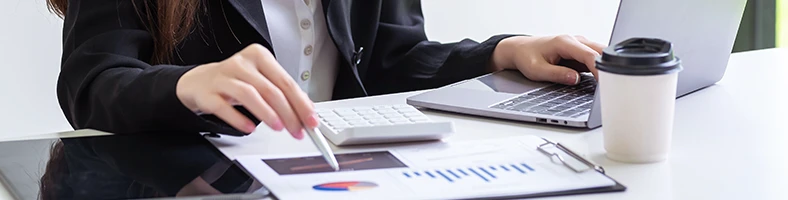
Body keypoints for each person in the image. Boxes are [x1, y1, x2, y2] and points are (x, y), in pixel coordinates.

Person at [45, 0, 606, 197]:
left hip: (342, 179)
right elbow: (92, 82)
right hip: (198, 183)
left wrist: (502, 52)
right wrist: (185, 85)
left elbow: (392, 57)